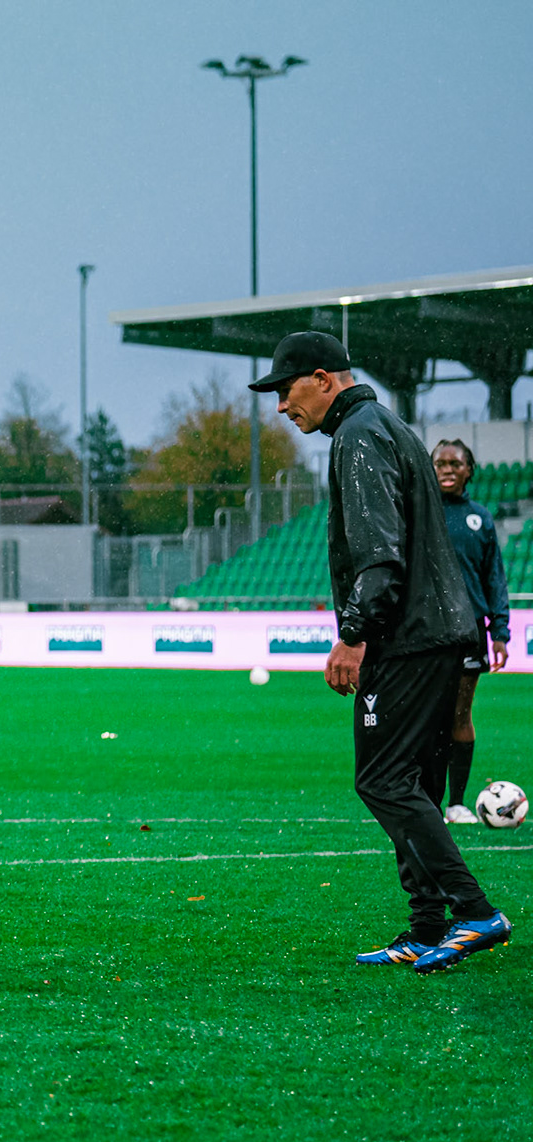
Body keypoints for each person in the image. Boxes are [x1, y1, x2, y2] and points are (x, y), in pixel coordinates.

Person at [253, 331, 510, 973]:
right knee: (416, 782)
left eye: (285, 391)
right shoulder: (386, 424)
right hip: (441, 632)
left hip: (409, 639)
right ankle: (427, 928)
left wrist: (353, 634)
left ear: (321, 378)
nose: (282, 407)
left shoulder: (357, 434)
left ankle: (474, 911)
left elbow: (379, 553)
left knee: (382, 780)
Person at [429, 439, 510, 824]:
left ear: (469, 470)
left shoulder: (480, 518)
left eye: (454, 463)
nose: (446, 469)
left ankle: (457, 804)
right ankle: (424, 804)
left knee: (459, 714)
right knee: (426, 717)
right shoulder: (418, 513)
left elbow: (494, 578)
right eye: (439, 463)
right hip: (424, 628)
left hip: (469, 629)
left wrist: (500, 632)